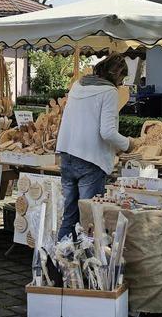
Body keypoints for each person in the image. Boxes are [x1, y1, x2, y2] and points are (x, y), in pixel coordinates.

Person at [56, 53, 140, 240]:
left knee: (69, 217)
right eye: (122, 78)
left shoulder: (78, 85)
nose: (121, 83)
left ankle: (60, 263)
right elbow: (107, 132)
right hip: (90, 159)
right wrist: (128, 144)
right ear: (116, 75)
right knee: (90, 220)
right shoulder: (109, 92)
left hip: (68, 155)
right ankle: (87, 266)